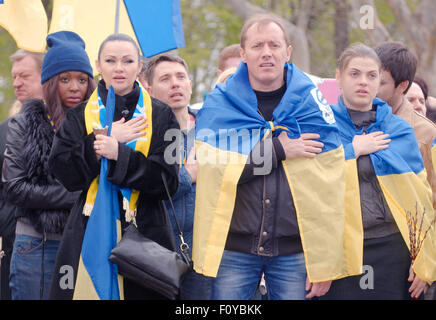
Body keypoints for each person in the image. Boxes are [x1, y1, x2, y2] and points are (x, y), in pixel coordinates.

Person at [192, 13, 362, 300]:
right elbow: (215, 173)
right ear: (244, 54)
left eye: (274, 45)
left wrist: (323, 261)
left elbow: (331, 188)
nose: (267, 53)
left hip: (295, 251)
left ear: (288, 52)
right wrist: (279, 149)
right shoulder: (220, 105)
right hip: (233, 248)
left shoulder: (313, 107)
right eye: (257, 46)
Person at [48, 33, 179, 300]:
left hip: (146, 232)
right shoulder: (77, 115)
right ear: (98, 65)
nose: (119, 68)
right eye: (110, 60)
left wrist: (119, 153)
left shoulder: (163, 114)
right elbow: (64, 173)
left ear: (139, 66)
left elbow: (169, 182)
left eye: (127, 61)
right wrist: (98, 143)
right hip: (88, 229)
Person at [322, 43, 436, 299]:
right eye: (354, 74)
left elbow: (421, 199)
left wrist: (425, 258)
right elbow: (308, 187)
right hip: (337, 249)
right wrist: (352, 149)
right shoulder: (322, 126)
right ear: (338, 77)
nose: (363, 82)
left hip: (393, 249)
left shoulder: (401, 130)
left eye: (372, 76)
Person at [2, 31, 96, 300]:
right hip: (37, 243)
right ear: (50, 82)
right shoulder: (25, 123)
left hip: (85, 241)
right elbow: (15, 188)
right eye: (65, 79)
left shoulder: (98, 124)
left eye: (81, 79)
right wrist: (77, 197)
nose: (74, 87)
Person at [144, 53, 212, 300]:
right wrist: (188, 175)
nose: (175, 83)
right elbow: (148, 185)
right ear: (149, 89)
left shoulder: (213, 130)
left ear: (190, 85)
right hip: (156, 251)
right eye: (165, 79)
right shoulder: (142, 135)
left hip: (206, 255)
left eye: (180, 77)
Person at [0, 50, 45, 300]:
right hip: (10, 245)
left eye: (24, 76)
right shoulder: (5, 130)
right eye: (14, 76)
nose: (17, 83)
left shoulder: (68, 126)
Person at [375, 42, 436, 226]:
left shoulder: (426, 133)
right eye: (371, 76)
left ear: (402, 86)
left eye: (380, 81)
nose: (370, 85)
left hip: (409, 237)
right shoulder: (357, 120)